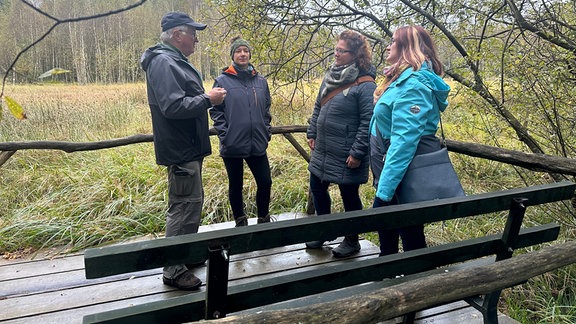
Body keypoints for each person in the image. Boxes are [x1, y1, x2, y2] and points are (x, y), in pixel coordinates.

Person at [140, 12, 227, 290]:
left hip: (187, 148)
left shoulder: (172, 60)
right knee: (182, 207)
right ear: (177, 35)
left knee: (191, 204)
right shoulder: (164, 62)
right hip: (180, 149)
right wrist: (208, 99)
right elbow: (173, 106)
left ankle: (184, 254)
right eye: (193, 33)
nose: (196, 39)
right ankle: (174, 270)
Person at [370, 25, 451, 256]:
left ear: (407, 47)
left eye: (393, 41)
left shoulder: (413, 84)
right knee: (395, 229)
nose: (388, 45)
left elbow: (404, 141)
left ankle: (416, 286)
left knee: (409, 233)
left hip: (403, 172)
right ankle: (390, 276)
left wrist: (383, 193)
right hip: (391, 170)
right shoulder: (400, 79)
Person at [305, 30, 376, 258]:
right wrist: (312, 131)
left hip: (347, 151)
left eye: (341, 51)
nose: (336, 54)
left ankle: (352, 240)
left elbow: (368, 121)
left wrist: (357, 152)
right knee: (317, 186)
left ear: (355, 54)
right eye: (335, 49)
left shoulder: (365, 83)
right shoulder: (331, 75)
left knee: (349, 195)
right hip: (324, 148)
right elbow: (319, 106)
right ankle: (325, 230)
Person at [210, 37, 273, 227]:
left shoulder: (261, 81)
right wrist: (225, 134)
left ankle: (263, 218)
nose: (243, 54)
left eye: (245, 51)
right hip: (233, 142)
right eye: (238, 51)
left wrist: (266, 130)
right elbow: (215, 110)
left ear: (250, 54)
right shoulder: (222, 80)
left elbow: (266, 108)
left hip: (257, 141)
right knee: (235, 184)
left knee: (265, 181)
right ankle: (240, 220)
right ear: (233, 55)